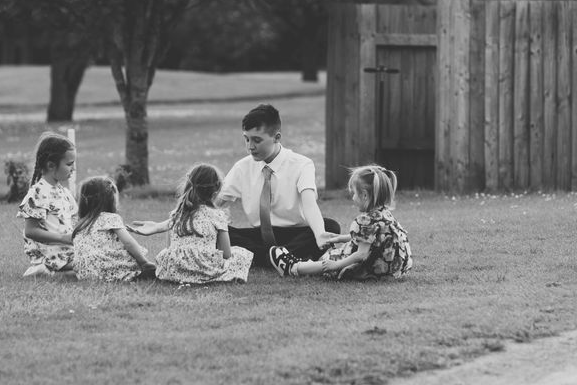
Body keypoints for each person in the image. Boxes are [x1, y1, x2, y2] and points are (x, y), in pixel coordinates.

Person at [216, 103, 341, 267]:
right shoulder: (242, 167)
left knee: (331, 226)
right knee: (214, 230)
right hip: (258, 236)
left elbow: (309, 204)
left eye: (257, 140)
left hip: (295, 234)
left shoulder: (302, 164)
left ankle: (264, 259)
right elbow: (214, 203)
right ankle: (279, 260)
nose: (250, 146)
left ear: (277, 137)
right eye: (246, 139)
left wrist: (319, 234)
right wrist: (186, 217)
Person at [269, 164, 412, 280]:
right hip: (392, 269)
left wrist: (336, 265)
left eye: (354, 193)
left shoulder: (366, 220)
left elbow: (361, 254)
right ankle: (306, 263)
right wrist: (339, 238)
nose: (353, 198)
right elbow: (371, 239)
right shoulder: (384, 214)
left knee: (331, 259)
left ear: (364, 195)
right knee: (337, 253)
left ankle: (293, 267)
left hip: (374, 269)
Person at [127, 163, 253, 284]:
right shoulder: (218, 215)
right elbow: (226, 254)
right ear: (215, 193)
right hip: (204, 270)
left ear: (188, 187)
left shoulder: (177, 214)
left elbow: (169, 249)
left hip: (173, 271)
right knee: (241, 254)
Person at [72, 176, 156, 281]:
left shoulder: (80, 222)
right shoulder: (111, 218)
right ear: (110, 199)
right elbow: (129, 242)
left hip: (84, 272)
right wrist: (144, 262)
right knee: (137, 260)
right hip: (104, 269)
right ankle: (136, 274)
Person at [17, 132, 77, 277]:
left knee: (94, 262)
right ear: (51, 165)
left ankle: (51, 274)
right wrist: (64, 238)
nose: (73, 169)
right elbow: (31, 231)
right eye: (69, 164)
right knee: (90, 266)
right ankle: (46, 271)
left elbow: (75, 219)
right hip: (51, 254)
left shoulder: (64, 193)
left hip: (68, 251)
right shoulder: (37, 194)